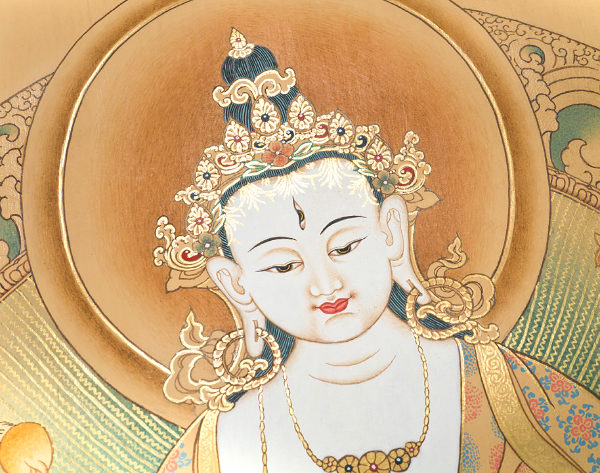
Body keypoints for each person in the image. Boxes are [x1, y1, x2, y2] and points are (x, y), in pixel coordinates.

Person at [154, 29, 600, 473]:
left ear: (391, 231)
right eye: (284, 265)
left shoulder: (497, 387)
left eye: (345, 246)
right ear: (236, 283)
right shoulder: (226, 441)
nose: (325, 283)